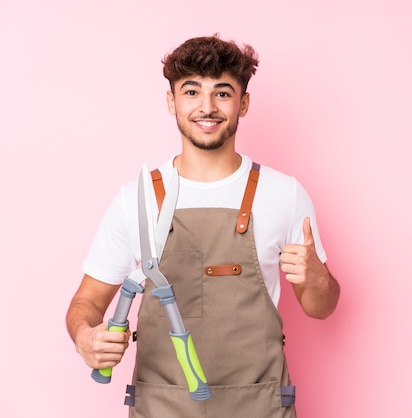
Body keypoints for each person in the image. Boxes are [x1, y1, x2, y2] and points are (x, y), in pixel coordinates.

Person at [65, 35, 340, 418]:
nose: (206, 107)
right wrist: (85, 336)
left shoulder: (284, 194)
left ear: (243, 103)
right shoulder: (137, 199)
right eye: (191, 91)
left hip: (260, 406)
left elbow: (320, 308)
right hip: (161, 406)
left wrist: (317, 279)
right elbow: (87, 302)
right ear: (171, 102)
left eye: (223, 93)